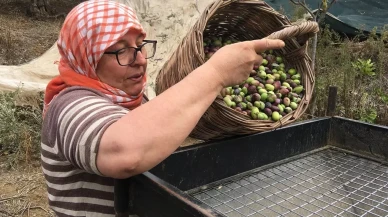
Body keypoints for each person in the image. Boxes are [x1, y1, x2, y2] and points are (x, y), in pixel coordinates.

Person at [40, 0, 285, 216]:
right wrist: (216, 73)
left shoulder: (132, 99)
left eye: (140, 44)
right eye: (121, 49)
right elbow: (125, 153)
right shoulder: (68, 104)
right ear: (87, 55)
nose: (140, 59)